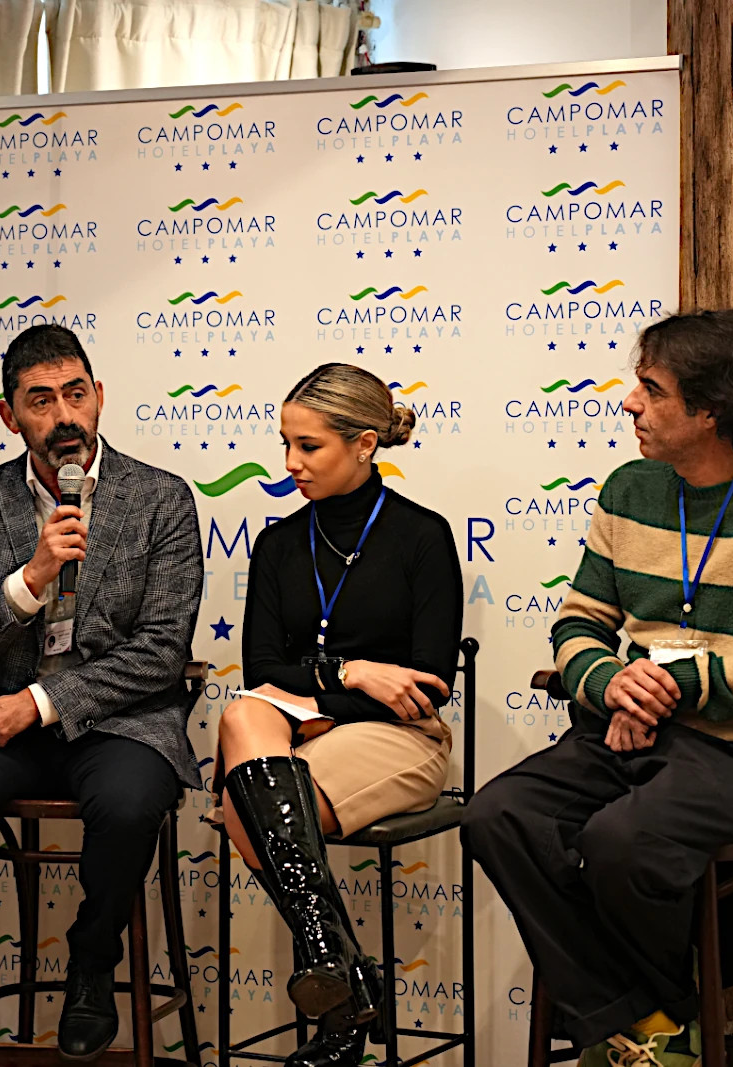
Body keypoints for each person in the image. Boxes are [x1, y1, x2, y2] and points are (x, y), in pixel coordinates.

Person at [463, 310, 733, 1067]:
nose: (629, 403)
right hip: (626, 732)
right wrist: (613, 684)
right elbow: (579, 622)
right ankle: (651, 1022)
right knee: (498, 814)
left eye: (651, 389)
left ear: (710, 408)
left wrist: (671, 685)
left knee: (622, 842)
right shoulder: (630, 488)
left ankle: (638, 1026)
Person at [0, 324, 203, 1063]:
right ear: (8, 416)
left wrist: (44, 702)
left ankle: (92, 963)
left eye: (75, 394)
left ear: (99, 399)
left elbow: (161, 651)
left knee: (128, 805)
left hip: (120, 722)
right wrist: (27, 584)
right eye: (40, 400)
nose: (63, 415)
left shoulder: (161, 500)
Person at [214, 364, 463, 1067]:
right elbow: (263, 669)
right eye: (285, 443)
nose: (290, 463)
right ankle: (346, 976)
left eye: (309, 447)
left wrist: (324, 699)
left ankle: (344, 993)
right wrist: (351, 673)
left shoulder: (422, 537)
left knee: (245, 804)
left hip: (398, 738)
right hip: (293, 730)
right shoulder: (278, 544)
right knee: (242, 715)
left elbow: (427, 685)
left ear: (363, 443)